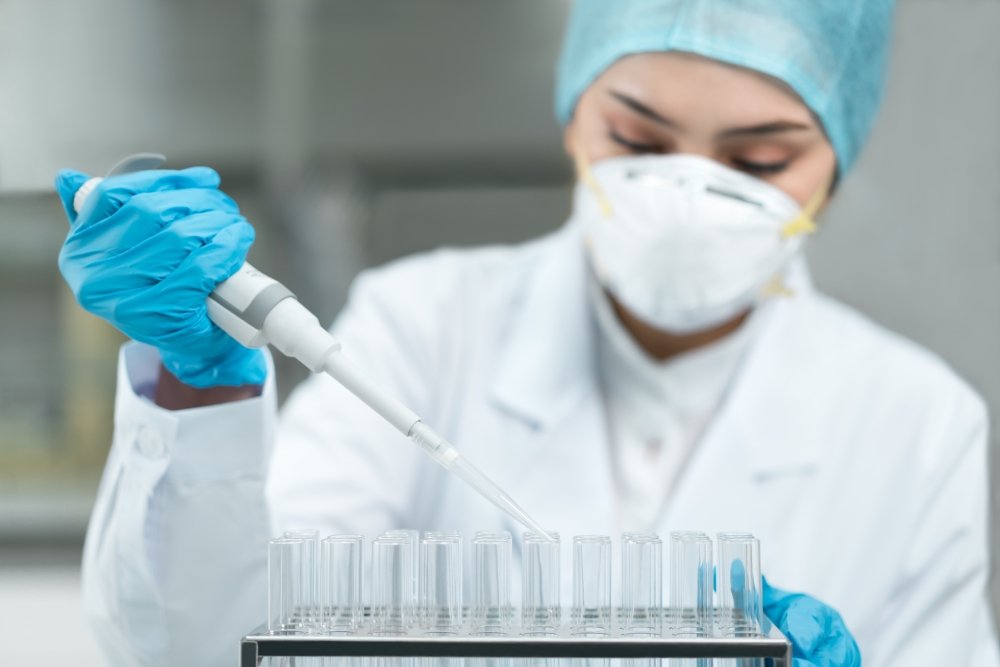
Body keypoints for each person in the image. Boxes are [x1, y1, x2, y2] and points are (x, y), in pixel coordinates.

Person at [54, 1, 999, 666]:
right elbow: (214, 643)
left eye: (760, 158)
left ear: (838, 162)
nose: (685, 193)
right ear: (574, 117)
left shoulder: (917, 425)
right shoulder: (421, 327)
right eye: (636, 139)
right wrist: (201, 385)